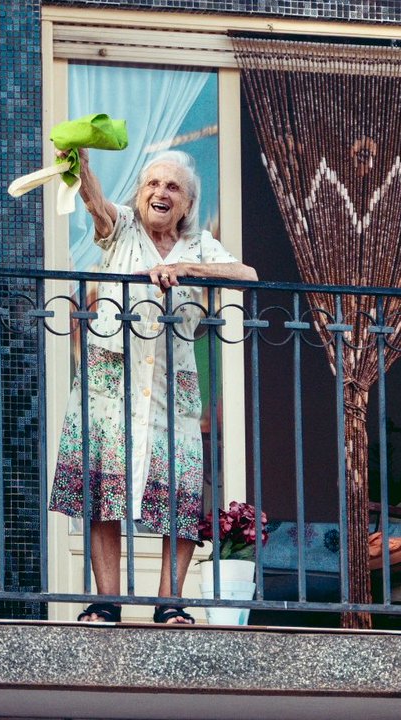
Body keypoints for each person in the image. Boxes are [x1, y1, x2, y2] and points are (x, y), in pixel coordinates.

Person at [49, 147, 257, 625]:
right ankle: (106, 602)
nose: (160, 193)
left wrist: (186, 270)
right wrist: (79, 166)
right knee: (104, 490)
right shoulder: (121, 227)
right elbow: (97, 206)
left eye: (172, 187)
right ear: (140, 194)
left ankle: (170, 603)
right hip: (110, 380)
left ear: (186, 204)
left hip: (171, 386)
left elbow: (246, 275)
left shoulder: (199, 244)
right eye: (152, 185)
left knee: (180, 492)